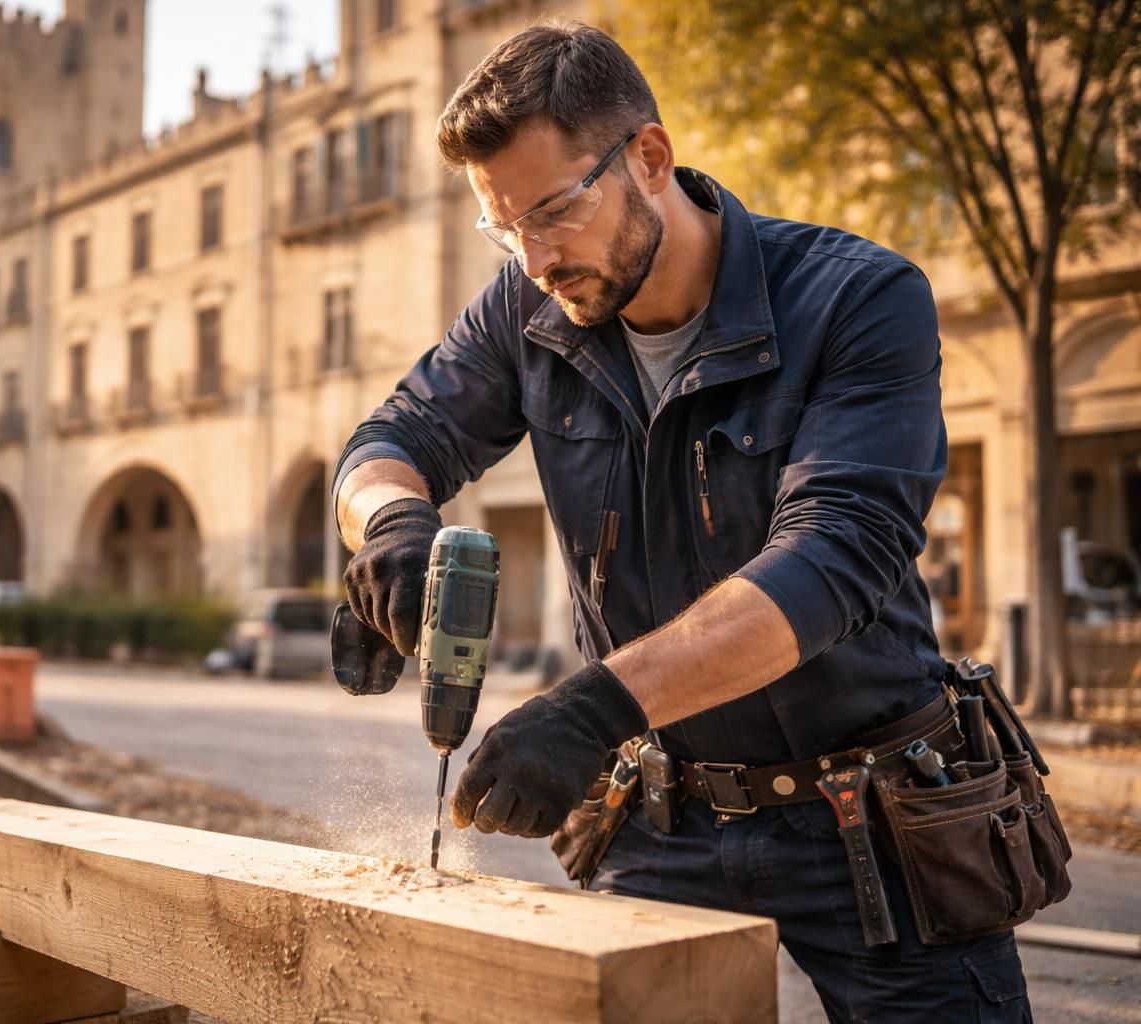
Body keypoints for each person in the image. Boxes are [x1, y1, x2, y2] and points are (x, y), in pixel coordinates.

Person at [332, 21, 1032, 1023]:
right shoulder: (526, 311)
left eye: (554, 211)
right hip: (657, 816)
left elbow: (832, 557)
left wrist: (596, 707)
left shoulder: (860, 300)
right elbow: (392, 434)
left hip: (879, 818)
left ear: (649, 159)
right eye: (504, 228)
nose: (532, 259)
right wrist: (390, 523)